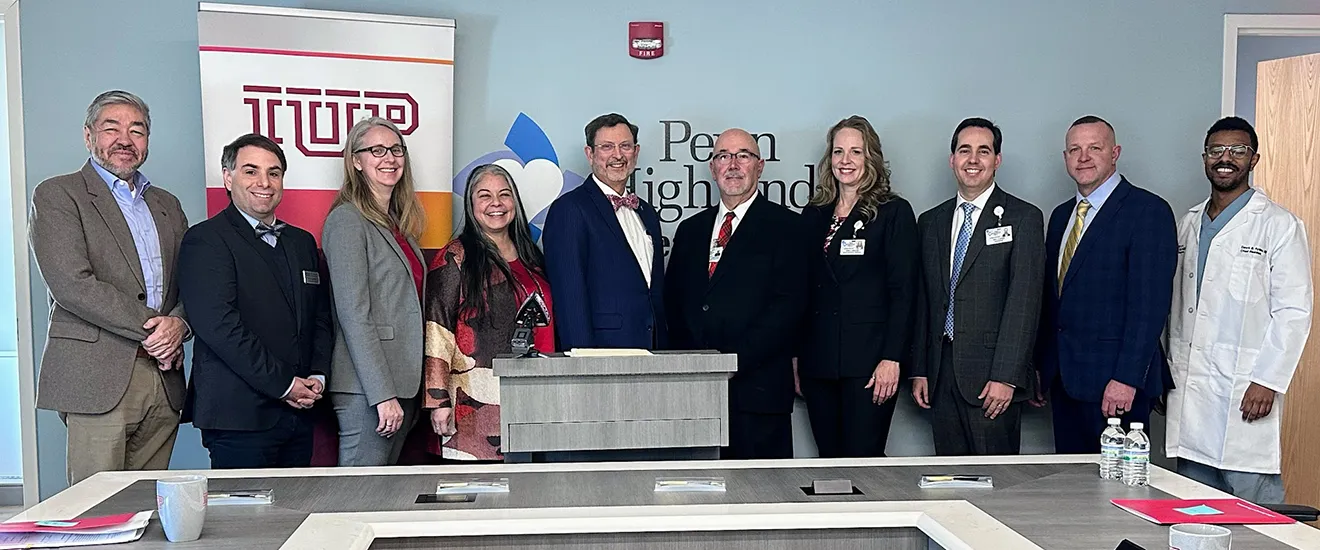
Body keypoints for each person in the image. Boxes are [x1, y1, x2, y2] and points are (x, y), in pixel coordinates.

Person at [29, 90, 190, 484]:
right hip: (97, 374)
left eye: (137, 130)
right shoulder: (57, 194)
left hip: (163, 375)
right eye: (111, 128)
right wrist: (158, 330)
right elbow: (71, 284)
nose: (125, 139)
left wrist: (181, 326)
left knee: (147, 511)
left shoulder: (167, 203)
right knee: (95, 510)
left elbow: (191, 281)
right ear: (88, 137)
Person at [1165, 117, 1311, 504]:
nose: (1225, 158)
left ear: (1254, 158)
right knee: (1194, 510)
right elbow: (1174, 307)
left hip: (1246, 389)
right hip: (1191, 388)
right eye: (1216, 151)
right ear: (1205, 159)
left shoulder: (1278, 226)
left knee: (1256, 512)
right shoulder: (1187, 224)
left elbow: (1294, 310)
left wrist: (1268, 380)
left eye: (1237, 150)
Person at [177, 134, 334, 468]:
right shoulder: (205, 240)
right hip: (238, 418)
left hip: (300, 412)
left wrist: (317, 376)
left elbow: (320, 316)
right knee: (243, 520)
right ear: (227, 177)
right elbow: (220, 327)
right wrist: (284, 384)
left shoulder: (301, 242)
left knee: (297, 517)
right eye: (251, 171)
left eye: (274, 173)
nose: (264, 182)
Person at [665, 128, 809, 459]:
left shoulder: (788, 228)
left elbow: (787, 308)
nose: (733, 164)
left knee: (761, 499)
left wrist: (730, 362)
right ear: (712, 168)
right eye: (723, 156)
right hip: (695, 392)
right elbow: (675, 303)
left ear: (759, 166)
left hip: (758, 391)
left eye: (742, 155)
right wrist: (695, 366)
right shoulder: (690, 231)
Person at [1037, 115, 1177, 454]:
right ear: (1065, 158)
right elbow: (1052, 299)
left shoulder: (1147, 211)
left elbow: (1149, 306)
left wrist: (1128, 378)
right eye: (1075, 149)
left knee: (1116, 493)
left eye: (1094, 148)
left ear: (1115, 153)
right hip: (1065, 381)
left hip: (1116, 386)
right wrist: (1043, 367)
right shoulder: (1060, 217)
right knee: (1073, 491)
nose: (1083, 157)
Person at [911, 118, 1045, 456]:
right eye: (964, 151)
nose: (973, 160)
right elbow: (925, 302)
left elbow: (1024, 303)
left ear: (997, 160)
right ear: (952, 159)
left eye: (983, 151)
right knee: (950, 484)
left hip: (992, 381)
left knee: (995, 487)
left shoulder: (1023, 218)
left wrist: (1006, 377)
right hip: (940, 378)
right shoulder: (931, 222)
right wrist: (920, 370)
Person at [798, 116, 917, 458]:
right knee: (828, 464)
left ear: (871, 158)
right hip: (817, 362)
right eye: (838, 152)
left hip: (869, 363)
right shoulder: (814, 214)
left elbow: (904, 291)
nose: (845, 160)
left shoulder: (893, 212)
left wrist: (892, 358)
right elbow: (801, 291)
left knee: (863, 463)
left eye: (855, 152)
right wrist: (796, 357)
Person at [422, 164, 555, 461]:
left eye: (504, 194)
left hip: (534, 398)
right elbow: (437, 330)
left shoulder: (532, 255)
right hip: (475, 406)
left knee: (529, 495)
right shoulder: (455, 256)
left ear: (515, 202)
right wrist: (438, 400)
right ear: (471, 205)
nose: (496, 203)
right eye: (485, 195)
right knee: (481, 497)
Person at [322, 117, 427, 466]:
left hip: (403, 383)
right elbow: (353, 314)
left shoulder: (397, 226)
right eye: (376, 150)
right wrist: (381, 395)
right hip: (367, 390)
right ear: (356, 161)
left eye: (396, 150)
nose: (389, 158)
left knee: (380, 497)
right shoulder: (347, 220)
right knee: (358, 497)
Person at [542, 113, 666, 350]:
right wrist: (582, 364)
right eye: (607, 147)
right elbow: (570, 299)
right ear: (590, 154)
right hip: (601, 358)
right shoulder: (570, 210)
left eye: (625, 146)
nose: (617, 155)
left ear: (636, 152)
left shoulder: (647, 212)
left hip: (653, 354)